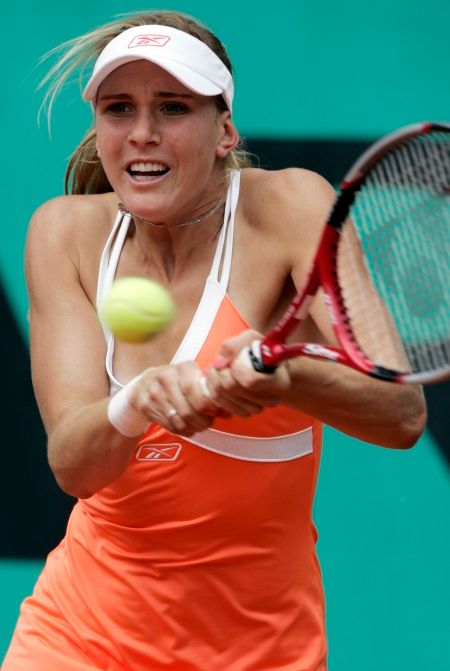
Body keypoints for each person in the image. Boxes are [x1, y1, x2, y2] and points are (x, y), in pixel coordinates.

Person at [3, 10, 426, 671]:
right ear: (100, 128)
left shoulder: (290, 207)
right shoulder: (63, 233)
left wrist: (288, 378)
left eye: (173, 108)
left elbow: (403, 413)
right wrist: (136, 400)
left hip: (261, 651)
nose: (142, 133)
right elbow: (75, 466)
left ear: (225, 129)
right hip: (80, 638)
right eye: (119, 109)